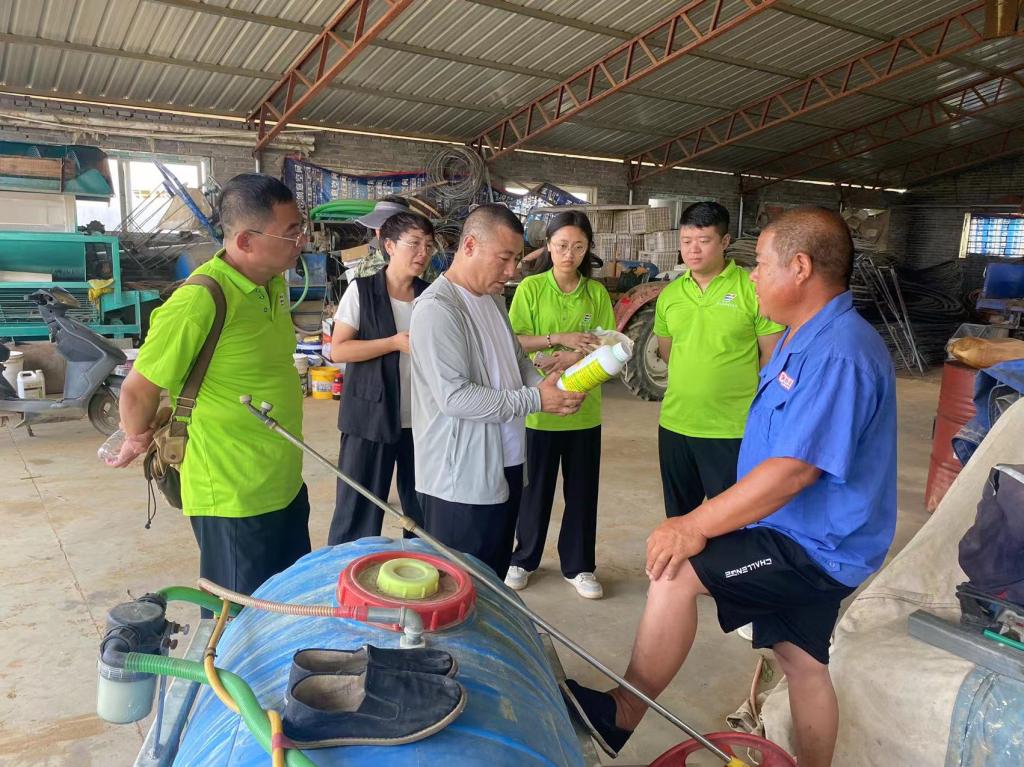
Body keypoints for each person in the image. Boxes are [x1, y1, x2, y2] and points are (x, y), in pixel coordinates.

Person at [563, 208, 897, 767]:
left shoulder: (839, 352)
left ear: (800, 267)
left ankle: (622, 712)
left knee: (675, 571)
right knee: (802, 663)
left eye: (761, 263)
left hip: (813, 544)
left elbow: (794, 470)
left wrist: (692, 523)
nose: (754, 275)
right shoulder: (805, 335)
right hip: (803, 530)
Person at [110, 173, 311, 600]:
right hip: (233, 497)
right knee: (235, 618)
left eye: (301, 228)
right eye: (291, 232)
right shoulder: (199, 299)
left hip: (283, 482)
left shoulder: (272, 283)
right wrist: (135, 436)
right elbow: (138, 389)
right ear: (246, 241)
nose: (302, 241)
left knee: (288, 608)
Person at [409, 203, 586, 579]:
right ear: (470, 246)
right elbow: (455, 397)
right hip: (460, 480)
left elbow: (516, 359)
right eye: (504, 258)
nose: (511, 271)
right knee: (462, 584)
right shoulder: (437, 309)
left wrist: (545, 385)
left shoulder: (492, 299)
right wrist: (537, 399)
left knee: (492, 576)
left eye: (516, 259)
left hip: (505, 465)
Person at [504, 211, 616, 600]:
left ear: (587, 250)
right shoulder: (531, 289)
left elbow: (608, 344)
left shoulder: (596, 294)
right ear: (548, 246)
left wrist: (573, 357)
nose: (569, 254)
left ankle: (579, 565)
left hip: (584, 409)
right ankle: (523, 559)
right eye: (562, 245)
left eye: (578, 247)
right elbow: (514, 341)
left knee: (582, 492)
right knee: (534, 491)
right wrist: (558, 339)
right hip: (539, 408)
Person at [655, 201, 784, 522]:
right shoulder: (670, 295)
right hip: (675, 425)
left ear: (725, 241)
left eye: (704, 240)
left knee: (731, 521)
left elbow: (771, 356)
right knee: (679, 521)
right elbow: (668, 352)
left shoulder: (751, 289)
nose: (693, 250)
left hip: (731, 429)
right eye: (686, 241)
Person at [327, 211, 434, 544]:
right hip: (369, 417)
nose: (423, 253)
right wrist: (392, 343)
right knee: (357, 508)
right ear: (389, 246)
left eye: (429, 245)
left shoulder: (432, 296)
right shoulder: (361, 292)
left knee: (424, 510)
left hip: (422, 420)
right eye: (414, 243)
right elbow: (338, 350)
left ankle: (420, 566)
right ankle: (347, 569)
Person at [353, 196, 411, 278]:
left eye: (387, 227)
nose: (381, 232)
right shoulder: (368, 262)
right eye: (377, 226)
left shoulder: (415, 261)